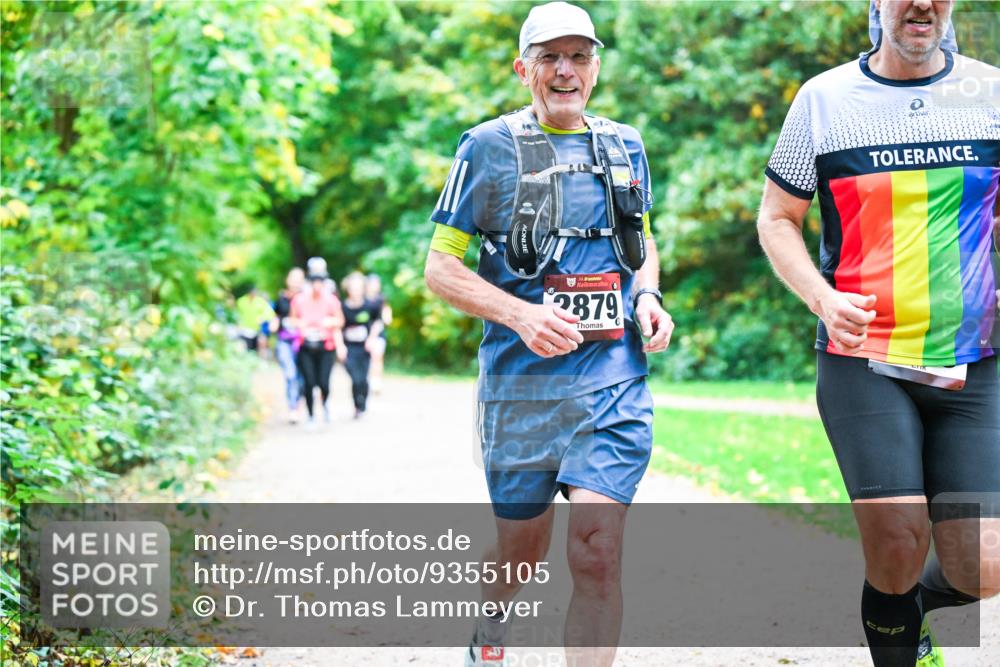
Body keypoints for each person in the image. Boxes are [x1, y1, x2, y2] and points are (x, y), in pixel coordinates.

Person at [423, 3, 673, 665]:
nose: (565, 70)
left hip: (611, 382)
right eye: (550, 57)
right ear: (523, 67)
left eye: (579, 56)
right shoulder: (485, 147)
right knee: (522, 551)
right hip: (520, 390)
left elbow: (640, 242)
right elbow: (440, 268)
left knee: (597, 548)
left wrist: (647, 295)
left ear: (596, 67)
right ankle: (493, 622)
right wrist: (521, 314)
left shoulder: (625, 146)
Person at [757, 2, 999, 665]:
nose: (920, 2)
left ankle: (902, 608)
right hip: (862, 358)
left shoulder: (991, 93)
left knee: (984, 564)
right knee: (896, 539)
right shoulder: (824, 101)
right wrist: (822, 297)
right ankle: (899, 634)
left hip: (973, 360)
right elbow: (778, 217)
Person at [290, 267, 346, 427]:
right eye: (314, 282)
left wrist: (329, 323)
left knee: (324, 382)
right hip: (306, 346)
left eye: (320, 282)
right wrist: (303, 325)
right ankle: (311, 415)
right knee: (308, 382)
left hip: (325, 347)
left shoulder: (331, 300)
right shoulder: (299, 300)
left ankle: (325, 404)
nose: (317, 286)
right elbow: (293, 320)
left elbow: (340, 321)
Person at [341, 272, 383, 418]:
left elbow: (378, 321)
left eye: (359, 287)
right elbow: (339, 327)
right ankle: (356, 405)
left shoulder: (370, 305)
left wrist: (371, 338)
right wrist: (341, 346)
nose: (356, 290)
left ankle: (362, 405)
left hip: (365, 347)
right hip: (349, 348)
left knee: (363, 378)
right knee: (355, 378)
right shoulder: (343, 306)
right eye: (353, 287)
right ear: (348, 288)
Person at [274, 267, 305, 423]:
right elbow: (277, 316)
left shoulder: (306, 299)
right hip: (284, 341)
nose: (295, 282)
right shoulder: (282, 298)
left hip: (302, 342)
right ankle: (293, 407)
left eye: (298, 279)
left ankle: (297, 405)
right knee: (290, 375)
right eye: (292, 278)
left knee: (300, 377)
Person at [235, 283, 277, 358]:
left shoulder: (260, 301)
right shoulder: (241, 301)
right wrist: (238, 324)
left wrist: (262, 318)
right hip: (244, 330)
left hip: (256, 330)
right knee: (245, 350)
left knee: (256, 350)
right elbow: (237, 314)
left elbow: (270, 313)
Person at [365, 273, 391, 394]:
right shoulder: (362, 299)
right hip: (363, 335)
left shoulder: (382, 300)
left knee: (377, 358)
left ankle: (376, 382)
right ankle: (367, 381)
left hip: (378, 334)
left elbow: (386, 317)